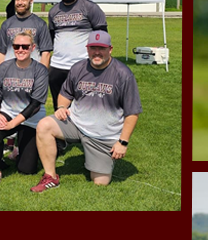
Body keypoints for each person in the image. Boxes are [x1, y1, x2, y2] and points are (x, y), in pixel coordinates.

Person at [30, 31, 141, 192]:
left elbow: (133, 112)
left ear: (110, 49)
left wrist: (122, 142)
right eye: (93, 48)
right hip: (76, 123)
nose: (97, 52)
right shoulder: (78, 68)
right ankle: (50, 176)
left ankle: (94, 156)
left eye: (101, 48)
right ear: (87, 49)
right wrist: (61, 107)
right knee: (44, 125)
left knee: (100, 182)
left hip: (102, 135)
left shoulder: (123, 74)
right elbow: (64, 94)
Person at [0, 32, 49, 186]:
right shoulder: (5, 66)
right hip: (8, 111)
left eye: (25, 46)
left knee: (27, 169)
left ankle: (22, 148)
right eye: (16, 46)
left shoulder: (40, 70)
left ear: (33, 48)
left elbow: (35, 104)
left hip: (31, 117)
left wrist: (13, 124)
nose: (20, 49)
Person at [47, 0, 108, 104]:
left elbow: (102, 37)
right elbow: (51, 39)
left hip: (83, 66)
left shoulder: (90, 7)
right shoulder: (53, 11)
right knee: (60, 109)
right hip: (57, 67)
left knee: (83, 106)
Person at [0, 0, 53, 68]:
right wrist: (1, 73)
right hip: (10, 73)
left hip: (32, 73)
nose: (20, 3)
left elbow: (45, 53)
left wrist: (41, 75)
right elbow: (2, 52)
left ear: (31, 1)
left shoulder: (40, 24)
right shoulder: (6, 24)